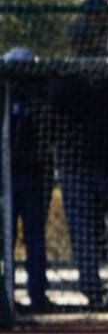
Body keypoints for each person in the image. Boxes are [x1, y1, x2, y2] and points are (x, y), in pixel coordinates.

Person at [48, 0, 108, 307]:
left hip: (102, 157)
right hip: (81, 158)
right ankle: (93, 286)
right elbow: (54, 107)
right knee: (87, 227)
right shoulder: (69, 76)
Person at [5, 47, 53, 311]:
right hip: (8, 177)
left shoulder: (38, 96)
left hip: (33, 175)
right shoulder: (5, 94)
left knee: (35, 240)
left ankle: (37, 295)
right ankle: (8, 295)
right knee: (7, 240)